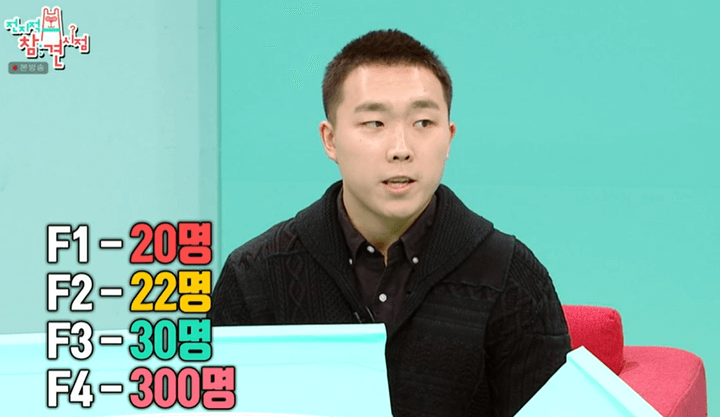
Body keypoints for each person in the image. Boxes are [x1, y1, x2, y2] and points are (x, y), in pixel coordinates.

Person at [208, 28, 572, 417]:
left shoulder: (511, 276)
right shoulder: (255, 274)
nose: (401, 149)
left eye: (423, 123)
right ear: (330, 139)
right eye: (374, 123)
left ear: (449, 138)